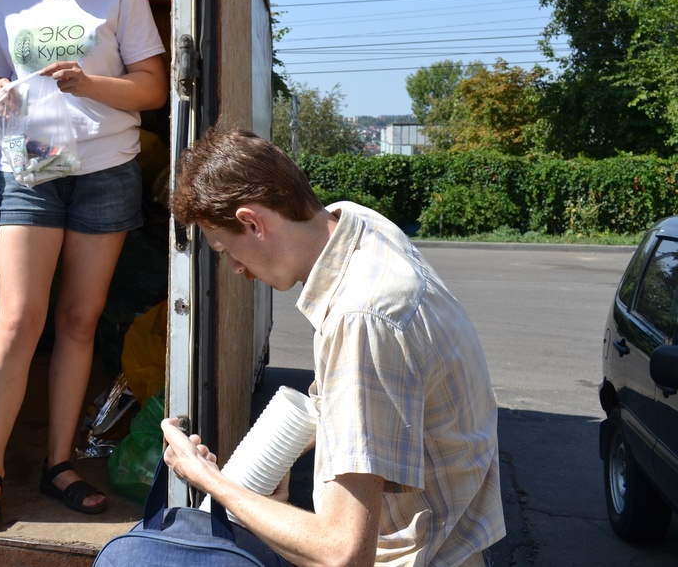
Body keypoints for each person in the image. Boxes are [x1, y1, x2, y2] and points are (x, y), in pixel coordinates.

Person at [161, 125, 505, 567]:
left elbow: (344, 553)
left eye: (227, 249)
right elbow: (364, 402)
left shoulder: (360, 317)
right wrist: (278, 453)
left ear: (252, 221)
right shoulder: (357, 226)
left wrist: (210, 480)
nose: (234, 269)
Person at [0, 0, 168, 531]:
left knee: (79, 322)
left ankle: (58, 463)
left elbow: (152, 89)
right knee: (19, 318)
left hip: (106, 170)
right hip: (31, 164)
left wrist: (89, 81)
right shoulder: (6, 3)